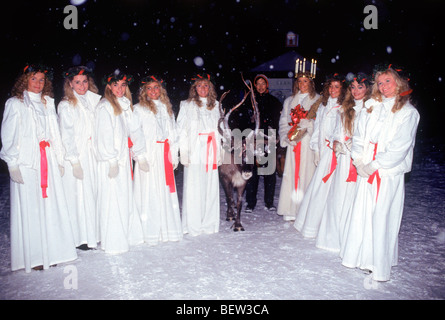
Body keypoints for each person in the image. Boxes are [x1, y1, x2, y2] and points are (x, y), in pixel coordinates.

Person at [340, 65, 420, 282]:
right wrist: (358, 160)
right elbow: (359, 136)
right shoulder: (371, 107)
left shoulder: (408, 113)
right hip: (366, 168)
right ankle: (361, 257)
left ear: (399, 83)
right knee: (363, 214)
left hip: (386, 172)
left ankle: (379, 263)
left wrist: (374, 165)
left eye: (388, 82)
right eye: (381, 82)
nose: (384, 87)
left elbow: (399, 147)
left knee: (382, 216)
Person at [0, 64, 77, 272]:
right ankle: (34, 256)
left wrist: (59, 159)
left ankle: (51, 250)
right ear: (25, 81)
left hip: (49, 160)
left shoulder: (47, 103)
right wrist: (12, 162)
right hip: (28, 163)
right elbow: (8, 134)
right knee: (32, 207)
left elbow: (55, 132)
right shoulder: (15, 104)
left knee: (50, 206)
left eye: (42, 80)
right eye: (34, 79)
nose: (38, 84)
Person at [315, 73, 371, 252]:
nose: (356, 91)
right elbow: (336, 132)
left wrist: (354, 145)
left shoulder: (370, 109)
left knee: (355, 199)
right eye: (353, 87)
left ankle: (352, 239)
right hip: (344, 159)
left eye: (360, 87)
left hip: (360, 160)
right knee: (338, 196)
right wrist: (338, 141)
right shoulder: (345, 108)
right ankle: (333, 238)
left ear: (368, 89)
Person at [94, 69, 146, 254]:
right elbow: (103, 135)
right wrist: (111, 160)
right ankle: (113, 241)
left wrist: (139, 153)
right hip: (111, 161)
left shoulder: (124, 105)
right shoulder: (105, 106)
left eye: (123, 85)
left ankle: (126, 235)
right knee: (112, 198)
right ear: (109, 86)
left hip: (123, 159)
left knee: (124, 196)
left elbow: (134, 131)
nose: (119, 89)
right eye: (115, 85)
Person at [293, 73, 346, 238]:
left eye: (336, 87)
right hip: (323, 151)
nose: (333, 90)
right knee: (318, 188)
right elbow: (317, 128)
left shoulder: (343, 107)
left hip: (334, 152)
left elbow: (340, 131)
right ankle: (312, 222)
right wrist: (315, 148)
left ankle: (327, 224)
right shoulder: (323, 106)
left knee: (330, 188)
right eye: (330, 86)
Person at [133, 75, 183, 245]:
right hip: (149, 153)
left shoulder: (167, 109)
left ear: (161, 90)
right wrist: (140, 156)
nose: (153, 91)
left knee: (165, 189)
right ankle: (150, 231)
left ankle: (167, 228)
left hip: (165, 152)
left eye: (156, 87)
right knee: (149, 190)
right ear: (144, 91)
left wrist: (174, 154)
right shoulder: (138, 109)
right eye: (149, 88)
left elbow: (173, 133)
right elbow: (135, 133)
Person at [58, 66, 101, 250]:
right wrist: (75, 161)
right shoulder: (66, 104)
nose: (82, 85)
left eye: (84, 81)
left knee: (93, 192)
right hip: (78, 154)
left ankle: (94, 233)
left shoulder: (94, 101)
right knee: (79, 196)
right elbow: (66, 134)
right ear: (70, 84)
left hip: (93, 153)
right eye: (77, 82)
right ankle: (81, 237)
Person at [176, 74, 222, 236]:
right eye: (199, 85)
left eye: (206, 86)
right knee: (194, 187)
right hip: (195, 149)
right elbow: (181, 129)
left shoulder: (217, 105)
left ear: (210, 88)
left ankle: (209, 223)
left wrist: (221, 150)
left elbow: (223, 129)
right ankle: (193, 225)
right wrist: (184, 152)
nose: (203, 89)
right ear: (194, 88)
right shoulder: (187, 105)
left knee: (210, 187)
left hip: (212, 149)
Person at [277, 72, 320, 222]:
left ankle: (305, 209)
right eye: (300, 81)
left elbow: (320, 123)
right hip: (293, 143)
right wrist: (286, 137)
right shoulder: (289, 101)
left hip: (307, 143)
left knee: (306, 174)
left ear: (310, 83)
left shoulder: (317, 100)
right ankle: (291, 209)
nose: (302, 84)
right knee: (291, 174)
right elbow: (283, 122)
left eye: (306, 81)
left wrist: (309, 126)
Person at [245, 74, 282, 212]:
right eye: (258, 84)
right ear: (255, 86)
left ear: (267, 85)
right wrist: (251, 121)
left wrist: (274, 136)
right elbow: (242, 121)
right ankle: (250, 202)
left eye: (263, 83)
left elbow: (278, 121)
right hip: (253, 141)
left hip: (268, 140)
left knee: (269, 172)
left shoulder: (274, 101)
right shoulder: (249, 102)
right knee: (252, 172)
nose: (260, 86)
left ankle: (269, 202)